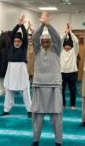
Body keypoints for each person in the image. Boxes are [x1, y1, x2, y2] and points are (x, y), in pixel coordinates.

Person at [31, 12, 63, 146]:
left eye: (47, 41)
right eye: (43, 41)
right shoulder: (37, 50)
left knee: (56, 116)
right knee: (37, 115)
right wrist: (42, 24)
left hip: (54, 86)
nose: (45, 43)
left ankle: (58, 141)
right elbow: (34, 36)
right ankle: (35, 140)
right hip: (39, 85)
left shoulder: (56, 49)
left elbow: (57, 38)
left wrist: (48, 25)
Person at [0, 15, 32, 118]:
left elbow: (25, 36)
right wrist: (18, 25)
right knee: (8, 91)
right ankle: (6, 110)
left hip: (21, 70)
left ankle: (30, 111)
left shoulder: (24, 47)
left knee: (25, 91)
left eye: (19, 41)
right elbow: (12, 34)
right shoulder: (11, 47)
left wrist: (22, 26)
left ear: (22, 42)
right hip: (11, 70)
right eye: (15, 41)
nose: (17, 42)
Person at [60, 23, 79, 110]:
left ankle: (72, 105)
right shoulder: (60, 51)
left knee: (72, 90)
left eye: (68, 45)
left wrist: (70, 32)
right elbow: (60, 40)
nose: (67, 47)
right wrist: (65, 33)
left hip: (72, 73)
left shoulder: (74, 51)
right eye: (65, 45)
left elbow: (77, 42)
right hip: (62, 73)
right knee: (61, 90)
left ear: (71, 46)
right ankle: (63, 103)